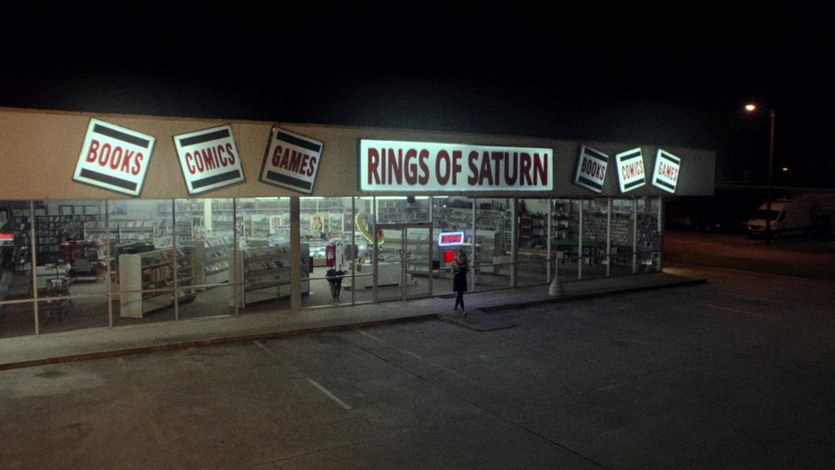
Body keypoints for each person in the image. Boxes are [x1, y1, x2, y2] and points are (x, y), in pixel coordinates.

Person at [452, 250, 469, 315]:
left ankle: (456, 306)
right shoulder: (455, 263)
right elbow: (453, 272)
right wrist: (456, 270)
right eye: (461, 257)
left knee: (460, 294)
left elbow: (466, 270)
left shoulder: (465, 264)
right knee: (460, 295)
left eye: (463, 257)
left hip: (462, 280)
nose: (462, 259)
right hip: (458, 280)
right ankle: (463, 310)